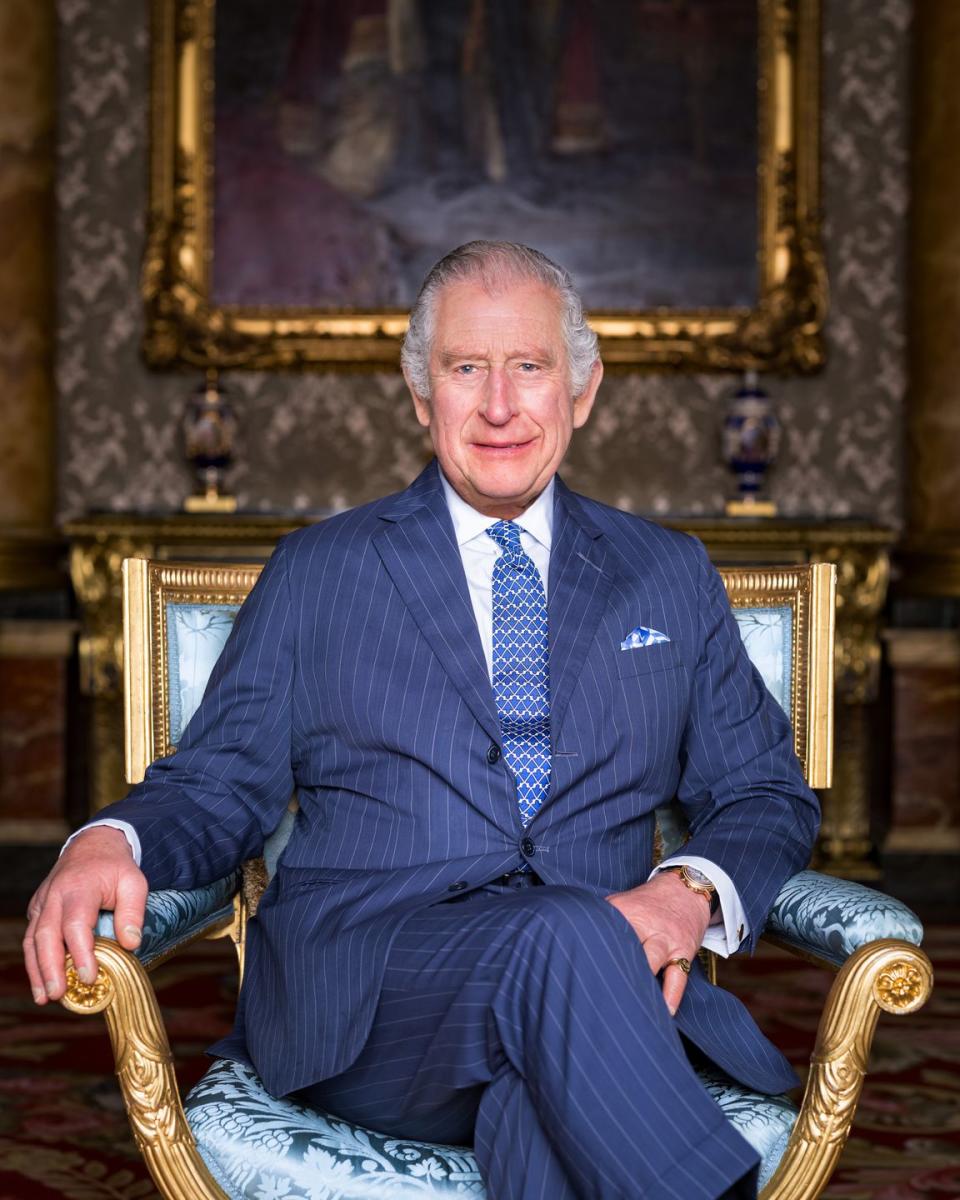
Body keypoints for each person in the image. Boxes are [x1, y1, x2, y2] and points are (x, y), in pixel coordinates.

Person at [24, 242, 818, 1199]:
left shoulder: (668, 574)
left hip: (604, 1004)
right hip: (373, 997)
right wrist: (107, 840)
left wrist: (687, 890)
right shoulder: (320, 572)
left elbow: (763, 791)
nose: (498, 405)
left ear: (583, 389)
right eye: (464, 369)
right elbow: (217, 781)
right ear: (419, 395)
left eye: (529, 367)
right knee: (563, 936)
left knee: (535, 1101)